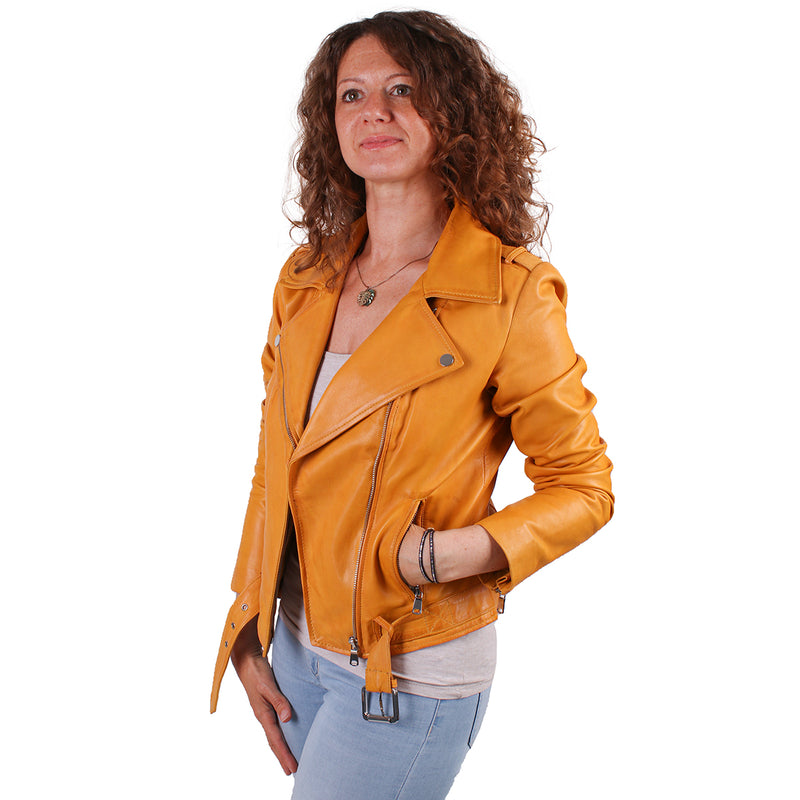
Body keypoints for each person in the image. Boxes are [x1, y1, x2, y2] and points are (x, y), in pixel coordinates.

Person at [210, 10, 613, 799]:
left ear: (452, 113)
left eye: (403, 90)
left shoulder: (509, 294)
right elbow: (274, 464)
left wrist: (452, 555)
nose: (375, 112)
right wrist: (247, 619)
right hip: (294, 647)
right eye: (352, 95)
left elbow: (584, 485)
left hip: (404, 668)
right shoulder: (306, 279)